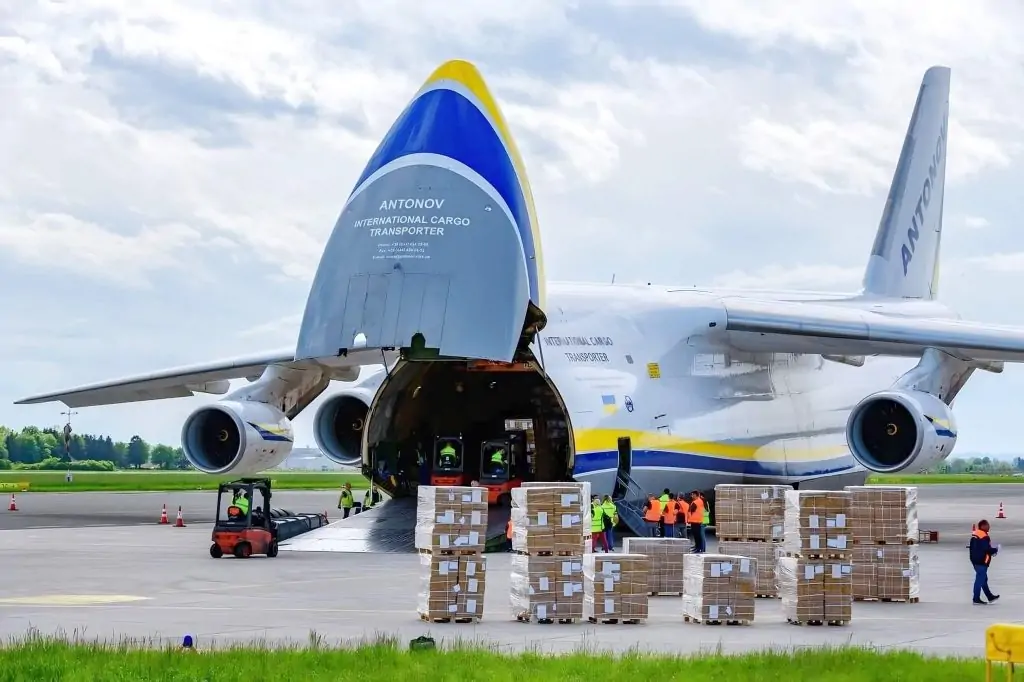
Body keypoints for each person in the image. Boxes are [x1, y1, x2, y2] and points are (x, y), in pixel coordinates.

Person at [969, 519, 1001, 605]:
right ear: (983, 526)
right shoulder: (983, 536)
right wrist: (996, 549)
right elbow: (986, 549)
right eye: (987, 525)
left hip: (975, 560)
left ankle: (989, 596)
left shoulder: (975, 534)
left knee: (983, 579)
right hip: (981, 561)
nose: (989, 527)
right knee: (980, 580)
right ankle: (976, 599)